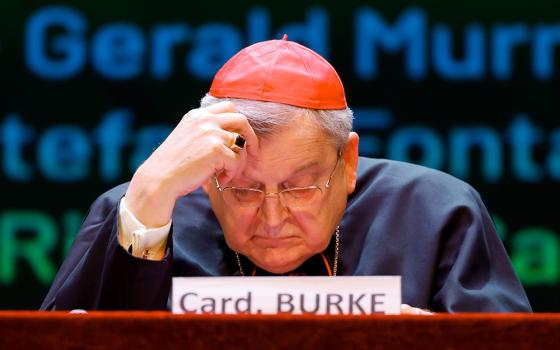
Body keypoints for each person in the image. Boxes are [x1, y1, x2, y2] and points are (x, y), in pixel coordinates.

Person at [41, 36, 531, 312]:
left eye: (300, 187)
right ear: (210, 174)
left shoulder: (436, 210)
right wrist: (147, 199)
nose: (272, 221)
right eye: (244, 190)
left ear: (348, 162)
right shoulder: (147, 205)